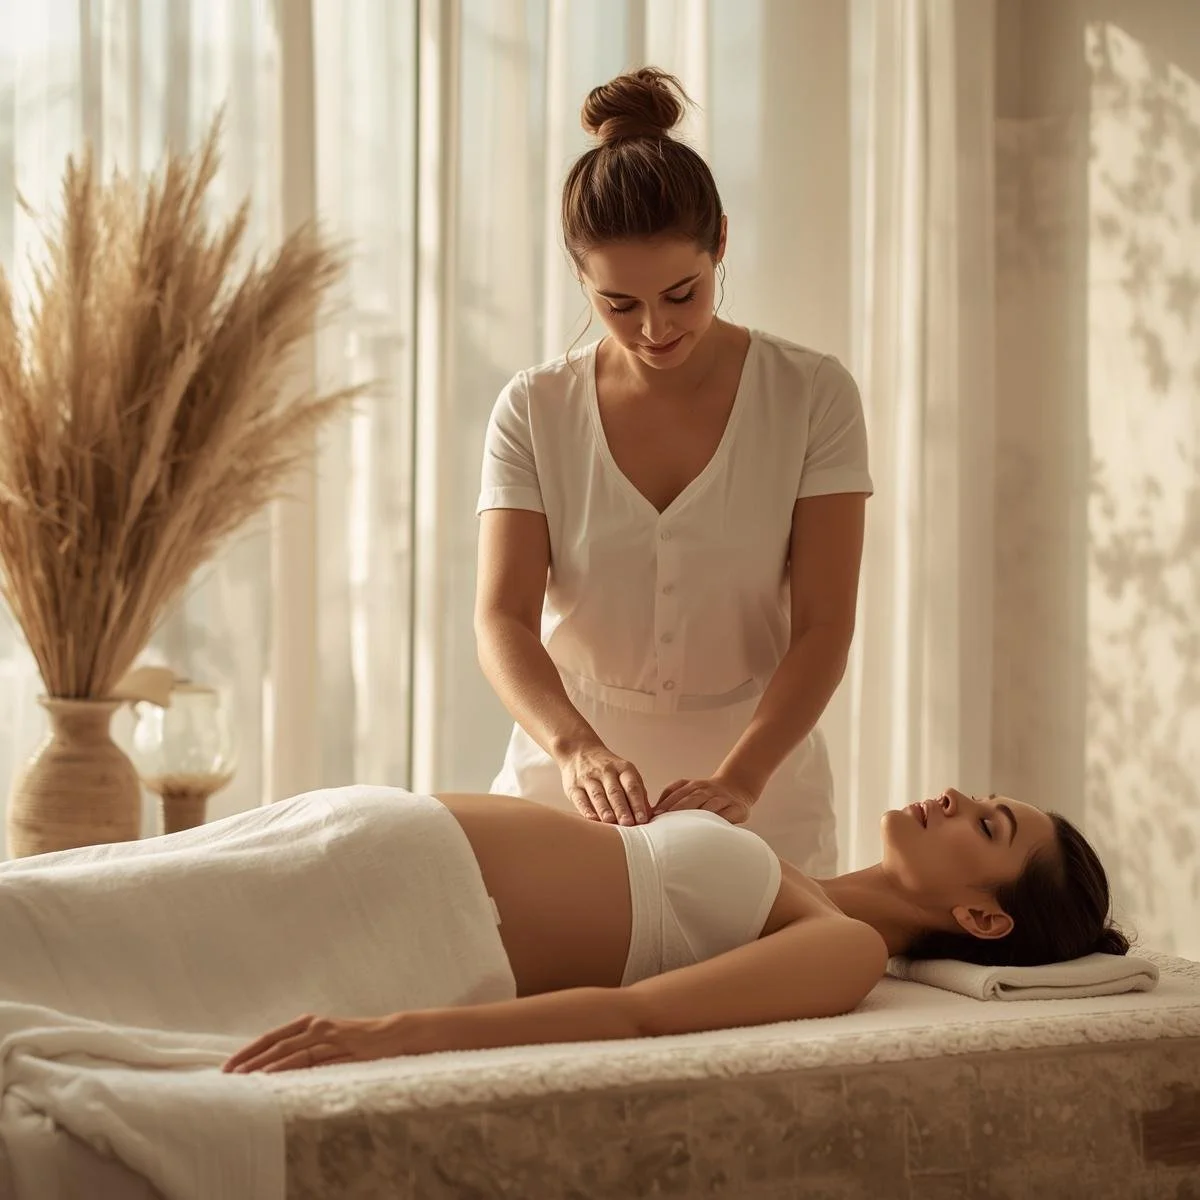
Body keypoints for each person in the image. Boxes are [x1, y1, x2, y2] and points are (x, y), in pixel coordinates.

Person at [474, 67, 873, 875]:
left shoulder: (812, 394)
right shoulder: (532, 409)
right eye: (619, 304)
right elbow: (503, 620)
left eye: (682, 294)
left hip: (763, 789)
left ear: (720, 241)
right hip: (567, 789)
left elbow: (825, 627)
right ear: (581, 279)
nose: (654, 328)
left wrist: (741, 780)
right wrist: (576, 749)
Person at [223, 785, 1128, 1074]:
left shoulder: (845, 947)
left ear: (980, 916)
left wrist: (395, 1035)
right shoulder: (794, 875)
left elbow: (636, 1018)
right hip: (368, 832)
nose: (955, 797)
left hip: (403, 901)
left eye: (988, 826)